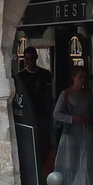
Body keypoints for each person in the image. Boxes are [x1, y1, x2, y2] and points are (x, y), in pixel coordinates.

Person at [15, 46, 55, 176]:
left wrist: (49, 113)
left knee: (44, 143)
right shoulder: (21, 77)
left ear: (36, 58)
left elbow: (49, 95)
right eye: (27, 59)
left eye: (32, 58)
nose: (30, 61)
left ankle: (40, 165)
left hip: (42, 113)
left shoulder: (45, 74)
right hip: (27, 115)